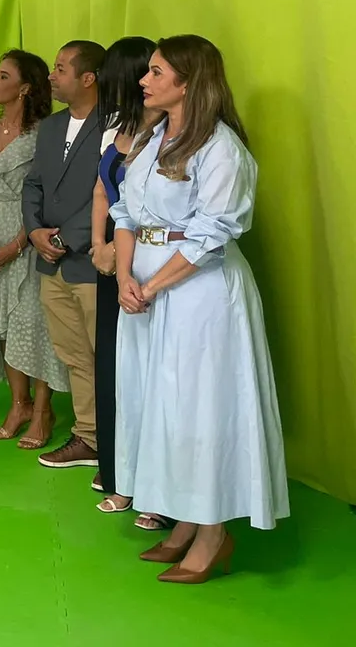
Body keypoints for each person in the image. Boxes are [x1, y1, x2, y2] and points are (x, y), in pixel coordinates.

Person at [112, 35, 288, 583]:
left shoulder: (221, 149)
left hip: (199, 299)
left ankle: (213, 534)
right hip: (145, 292)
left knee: (198, 410)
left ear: (188, 83)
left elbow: (212, 234)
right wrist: (125, 277)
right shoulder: (152, 137)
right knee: (159, 406)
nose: (144, 80)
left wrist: (151, 287)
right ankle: (186, 519)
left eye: (156, 72)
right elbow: (125, 213)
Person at [0, 50, 67, 449]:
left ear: (25, 87)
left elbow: (46, 195)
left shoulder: (46, 133)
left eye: (3, 76)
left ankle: (43, 410)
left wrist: (18, 243)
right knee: (4, 327)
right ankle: (19, 404)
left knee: (34, 326)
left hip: (30, 238)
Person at [87, 36, 160, 525]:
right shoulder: (116, 126)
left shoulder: (168, 131)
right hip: (111, 259)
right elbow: (102, 189)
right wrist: (100, 245)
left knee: (150, 376)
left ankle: (157, 490)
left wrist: (122, 250)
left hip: (147, 262)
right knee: (113, 370)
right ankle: (119, 474)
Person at [22, 40, 105, 469]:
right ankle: (89, 436)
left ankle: (118, 442)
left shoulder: (115, 125)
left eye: (60, 69)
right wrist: (34, 231)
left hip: (90, 263)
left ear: (87, 78)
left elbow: (111, 193)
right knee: (74, 356)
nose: (51, 77)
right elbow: (33, 183)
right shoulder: (51, 127)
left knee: (105, 356)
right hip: (51, 265)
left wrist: (65, 240)